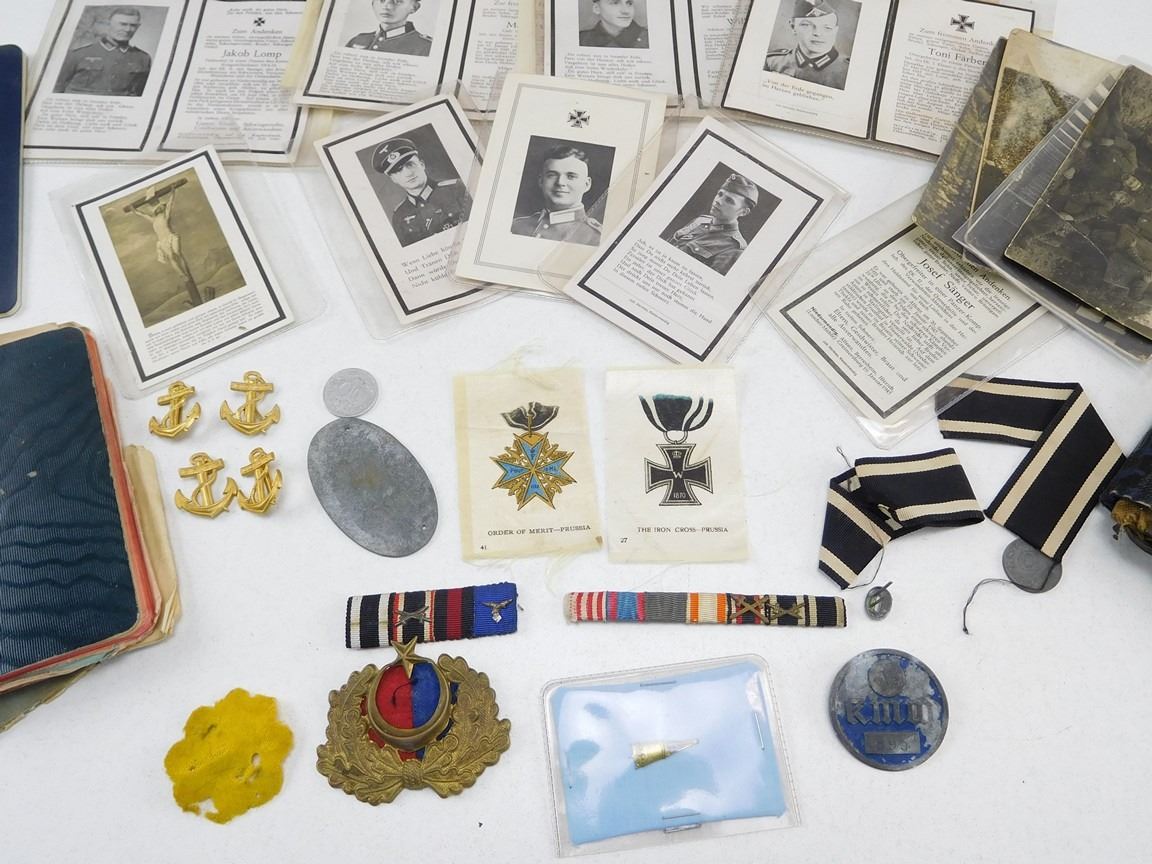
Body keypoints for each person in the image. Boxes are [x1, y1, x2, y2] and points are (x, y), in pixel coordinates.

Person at [373, 137, 472, 247]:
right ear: (393, 179)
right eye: (398, 170)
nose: (408, 173)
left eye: (410, 165)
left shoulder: (458, 189)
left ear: (422, 165)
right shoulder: (399, 216)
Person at [662, 173, 759, 276]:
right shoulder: (700, 221)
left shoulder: (734, 248)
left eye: (729, 200)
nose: (718, 201)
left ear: (743, 212)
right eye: (720, 194)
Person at [128, 182, 203, 306]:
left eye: (161, 207)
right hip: (162, 241)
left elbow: (170, 204)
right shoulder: (153, 219)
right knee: (171, 257)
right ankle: (182, 275)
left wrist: (173, 192)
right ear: (156, 211)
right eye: (158, 208)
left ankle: (186, 272)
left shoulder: (166, 215)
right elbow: (143, 215)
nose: (160, 209)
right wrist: (134, 211)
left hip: (171, 237)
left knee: (178, 253)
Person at [511, 145, 602, 246]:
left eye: (571, 176)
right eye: (552, 175)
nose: (560, 182)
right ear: (541, 181)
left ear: (586, 184)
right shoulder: (516, 226)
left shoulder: (597, 237)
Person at [54, 7, 152, 96]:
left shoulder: (143, 59)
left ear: (138, 27)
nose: (127, 29)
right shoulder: (78, 54)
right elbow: (57, 89)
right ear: (108, 24)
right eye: (122, 24)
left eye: (133, 25)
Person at [764, 0, 849, 90]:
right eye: (807, 25)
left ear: (835, 31)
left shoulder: (848, 71)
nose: (817, 33)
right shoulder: (772, 61)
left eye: (827, 28)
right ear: (793, 27)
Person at [346, 0, 432, 55]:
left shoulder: (425, 47)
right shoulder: (357, 40)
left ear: (414, 7)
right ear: (373, 3)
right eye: (382, 0)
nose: (387, 7)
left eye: (397, 1)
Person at [579, 0, 648, 49]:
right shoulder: (582, 39)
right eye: (615, 3)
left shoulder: (648, 39)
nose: (626, 11)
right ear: (597, 8)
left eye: (629, 3)